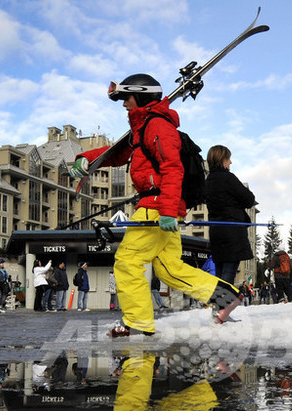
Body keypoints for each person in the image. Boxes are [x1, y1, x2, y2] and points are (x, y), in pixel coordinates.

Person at [68, 73, 242, 336]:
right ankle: (224, 298)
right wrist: (86, 159)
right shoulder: (143, 128)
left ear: (141, 95)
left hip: (157, 205)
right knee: (168, 268)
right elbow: (117, 153)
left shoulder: (157, 126)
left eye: (127, 97)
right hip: (163, 205)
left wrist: (168, 211)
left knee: (128, 261)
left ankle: (137, 321)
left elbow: (172, 169)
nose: (124, 104)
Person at [205, 145, 256, 286]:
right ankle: (222, 305)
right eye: (228, 159)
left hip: (216, 231)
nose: (230, 162)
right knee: (228, 273)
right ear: (222, 160)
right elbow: (249, 199)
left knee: (220, 273)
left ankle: (218, 304)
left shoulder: (208, 181)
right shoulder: (227, 178)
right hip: (232, 231)